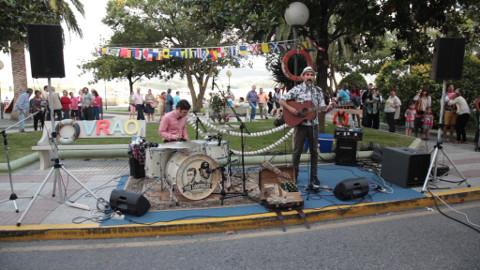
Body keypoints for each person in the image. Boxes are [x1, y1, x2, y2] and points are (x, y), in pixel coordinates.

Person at [279, 66, 334, 191]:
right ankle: (294, 176)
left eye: (311, 75)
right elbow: (282, 100)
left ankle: (313, 177)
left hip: (313, 126)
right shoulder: (297, 89)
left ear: (314, 77)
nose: (309, 77)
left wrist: (329, 108)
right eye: (307, 74)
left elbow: (322, 109)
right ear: (303, 76)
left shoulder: (318, 91)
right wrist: (292, 109)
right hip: (300, 126)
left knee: (314, 152)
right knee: (297, 151)